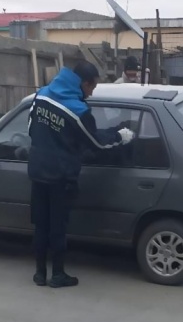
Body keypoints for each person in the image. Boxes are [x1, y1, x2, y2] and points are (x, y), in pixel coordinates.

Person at [28, 60, 135, 288]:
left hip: (37, 171)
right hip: (60, 176)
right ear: (83, 84)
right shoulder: (78, 111)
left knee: (41, 224)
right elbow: (95, 142)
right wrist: (119, 137)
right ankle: (57, 275)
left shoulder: (42, 95)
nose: (92, 91)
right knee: (57, 227)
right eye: (92, 87)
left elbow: (30, 129)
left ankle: (39, 274)